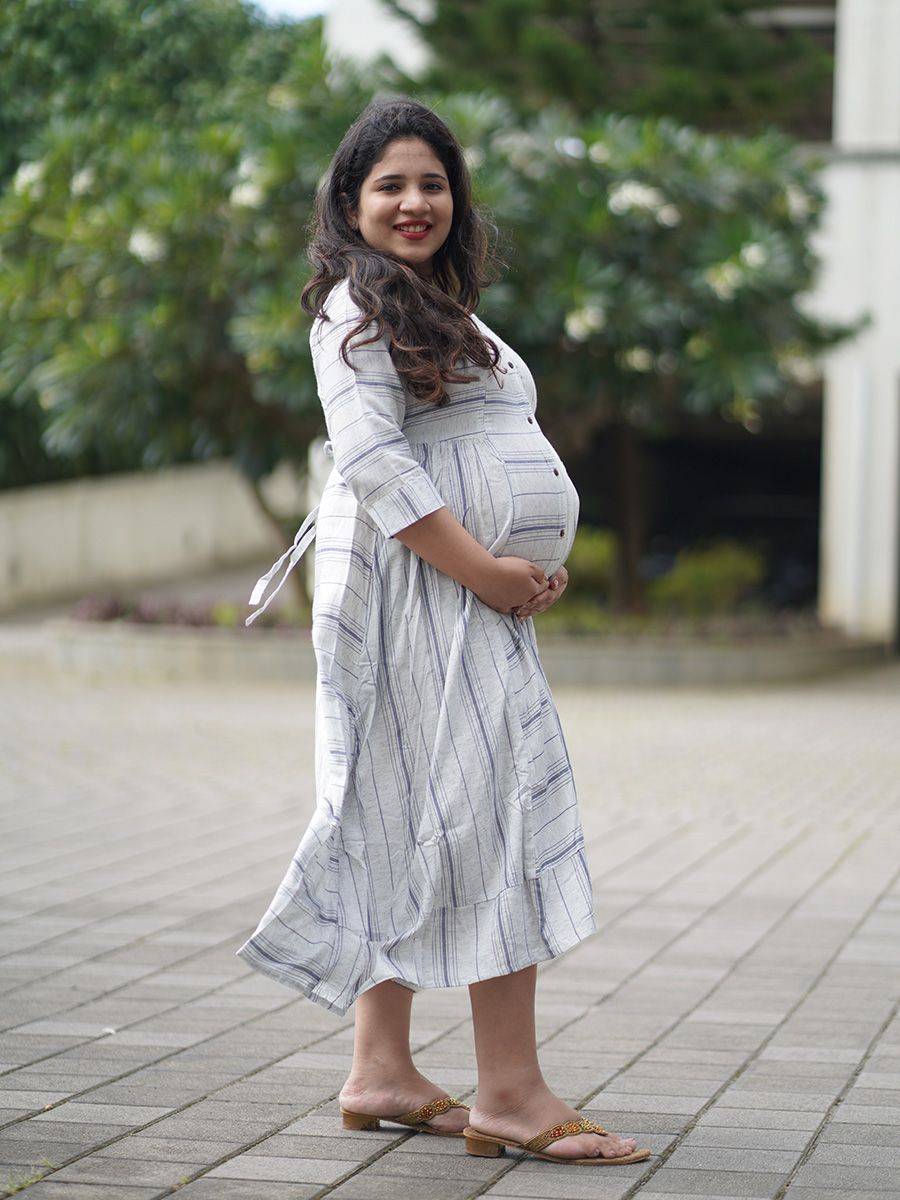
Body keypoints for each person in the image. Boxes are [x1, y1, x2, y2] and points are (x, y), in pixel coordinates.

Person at [236, 97, 649, 1168]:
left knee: (403, 799)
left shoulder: (427, 304)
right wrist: (485, 572)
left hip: (453, 592)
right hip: (415, 591)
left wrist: (514, 568)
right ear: (349, 203)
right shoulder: (352, 312)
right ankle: (510, 1092)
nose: (415, 201)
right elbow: (372, 463)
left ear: (455, 199)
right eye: (389, 185)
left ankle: (380, 1070)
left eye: (432, 182)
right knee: (489, 802)